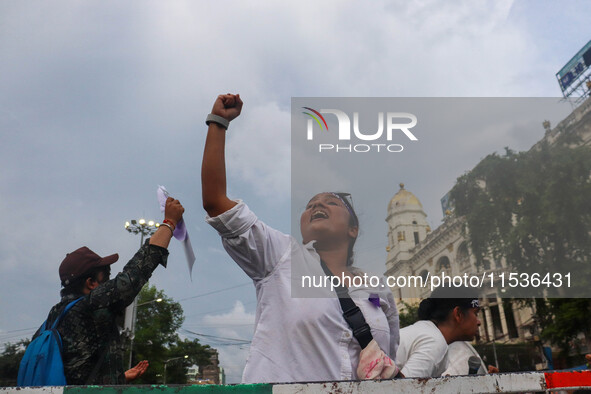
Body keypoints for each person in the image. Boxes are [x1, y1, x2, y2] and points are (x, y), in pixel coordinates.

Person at [201, 94, 399, 383]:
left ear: (353, 229)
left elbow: (389, 364)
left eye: (330, 202)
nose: (316, 206)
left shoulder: (379, 288)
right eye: (310, 205)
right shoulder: (280, 256)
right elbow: (216, 203)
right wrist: (218, 122)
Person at [31, 197, 184, 385]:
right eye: (107, 276)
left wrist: (118, 377)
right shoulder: (91, 305)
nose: (111, 282)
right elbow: (135, 274)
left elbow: (74, 370)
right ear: (91, 283)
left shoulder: (52, 318)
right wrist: (169, 223)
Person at [395, 286, 481, 378]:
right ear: (458, 314)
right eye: (475, 313)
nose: (479, 322)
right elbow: (403, 388)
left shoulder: (428, 332)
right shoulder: (434, 342)